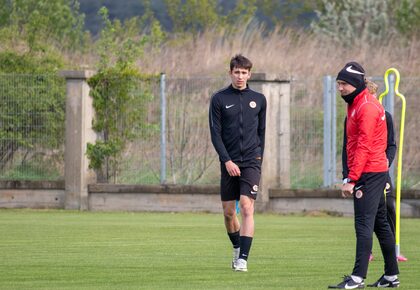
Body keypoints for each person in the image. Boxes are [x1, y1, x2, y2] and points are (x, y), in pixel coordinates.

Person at [328, 62, 400, 288]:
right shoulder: (356, 104)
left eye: (344, 84)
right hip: (372, 171)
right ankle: (391, 276)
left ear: (357, 84)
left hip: (369, 173)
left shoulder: (366, 107)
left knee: (363, 224)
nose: (339, 88)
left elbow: (364, 145)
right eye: (338, 83)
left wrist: (352, 179)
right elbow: (350, 144)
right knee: (380, 224)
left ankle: (357, 277)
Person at [209, 54, 266, 272]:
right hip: (229, 162)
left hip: (251, 161)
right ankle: (236, 247)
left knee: (246, 206)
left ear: (249, 74)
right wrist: (227, 160)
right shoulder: (219, 99)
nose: (240, 76)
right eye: (237, 72)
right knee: (228, 213)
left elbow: (262, 133)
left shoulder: (259, 99)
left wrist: (259, 159)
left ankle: (243, 259)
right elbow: (215, 134)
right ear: (230, 73)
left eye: (244, 72)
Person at [343, 80, 407, 263]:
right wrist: (347, 174)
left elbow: (390, 144)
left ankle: (392, 254)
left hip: (378, 170)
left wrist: (386, 163)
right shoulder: (352, 114)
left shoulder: (383, 115)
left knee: (387, 210)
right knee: (367, 216)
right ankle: (372, 256)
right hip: (363, 171)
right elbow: (348, 147)